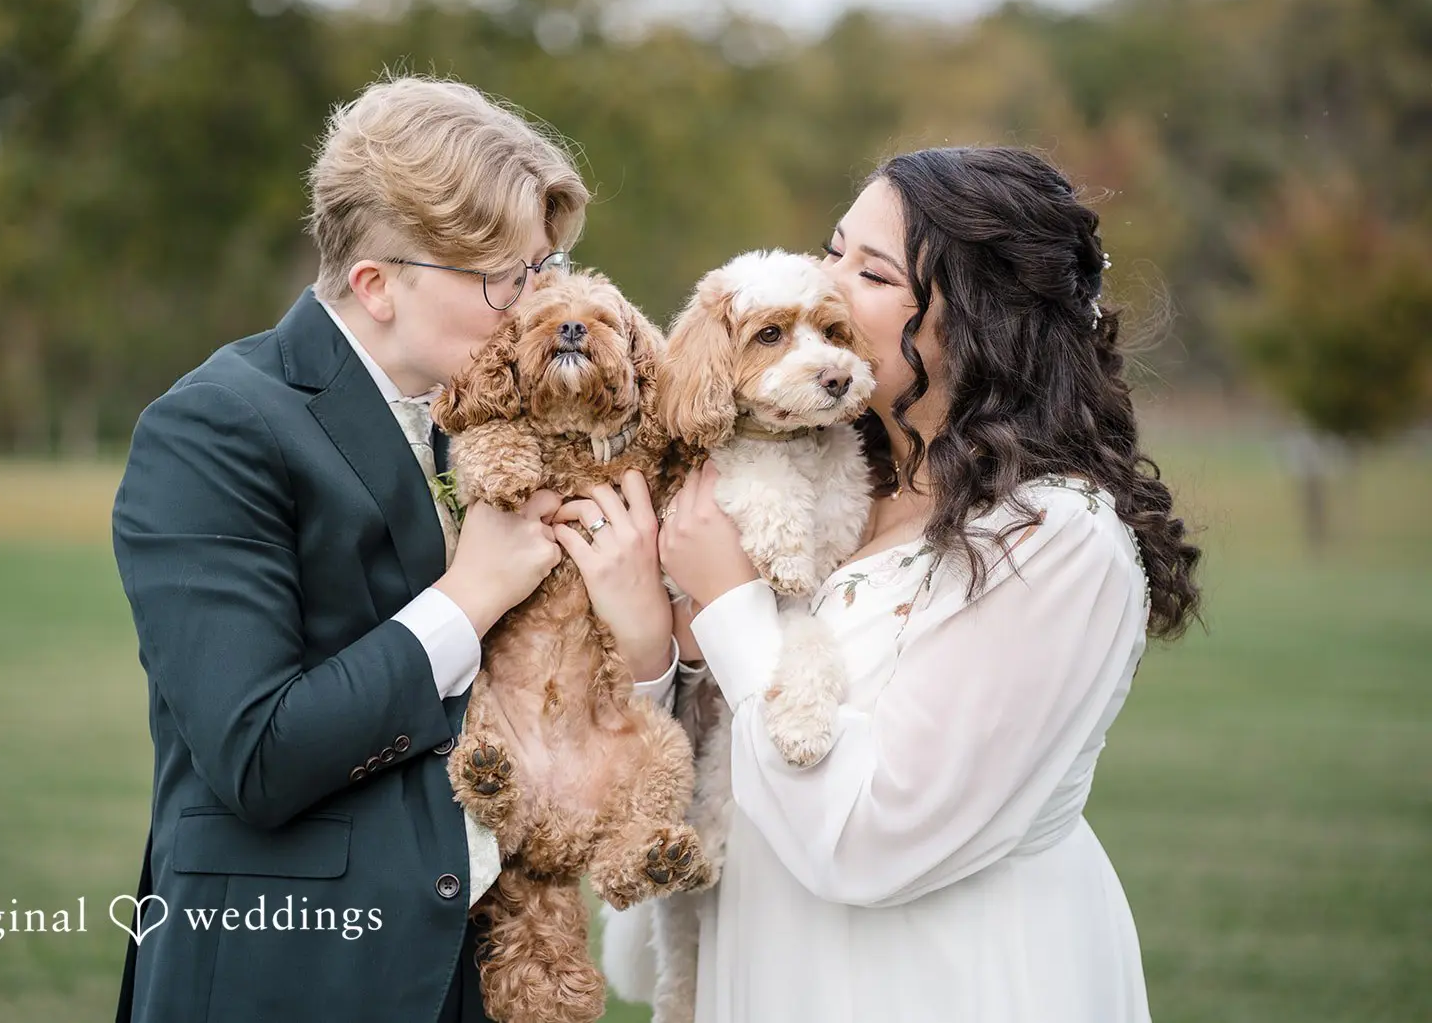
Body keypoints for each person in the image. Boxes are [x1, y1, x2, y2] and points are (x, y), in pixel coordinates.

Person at [110, 75, 679, 1023]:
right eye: (507, 278)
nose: (536, 302)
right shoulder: (213, 427)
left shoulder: (508, 416)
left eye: (546, 269)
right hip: (294, 976)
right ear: (377, 283)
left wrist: (644, 638)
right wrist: (472, 595)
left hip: (479, 972)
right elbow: (258, 752)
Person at [655, 146, 1202, 1022]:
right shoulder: (822, 480)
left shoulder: (1053, 539)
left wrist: (728, 603)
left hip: (946, 980)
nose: (823, 280)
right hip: (768, 962)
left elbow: (878, 837)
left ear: (978, 320)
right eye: (831, 249)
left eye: (868, 271)